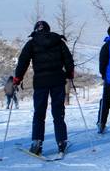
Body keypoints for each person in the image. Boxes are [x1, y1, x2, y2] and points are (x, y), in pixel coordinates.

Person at [14, 20, 74, 156]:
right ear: (48, 29)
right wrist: (70, 73)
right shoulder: (58, 41)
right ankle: (61, 142)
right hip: (58, 80)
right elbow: (68, 59)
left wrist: (18, 78)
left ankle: (37, 143)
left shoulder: (32, 43)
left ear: (36, 30)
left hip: (40, 82)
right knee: (58, 112)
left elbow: (23, 61)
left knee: (39, 112)